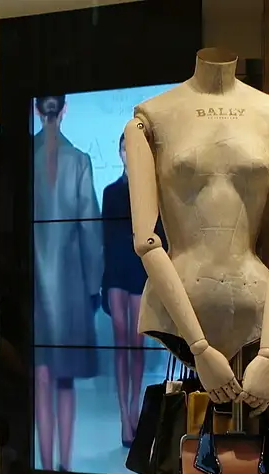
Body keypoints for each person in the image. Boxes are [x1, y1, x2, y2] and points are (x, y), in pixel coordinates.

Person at [33, 95, 103, 472]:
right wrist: (94, 286)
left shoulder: (23, 161)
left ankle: (44, 466)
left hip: (30, 285)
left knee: (41, 378)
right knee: (64, 380)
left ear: (36, 110)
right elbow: (90, 230)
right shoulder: (79, 161)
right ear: (65, 110)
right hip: (71, 284)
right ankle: (63, 466)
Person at [102, 133, 168, 448]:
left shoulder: (152, 194)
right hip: (115, 272)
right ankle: (124, 415)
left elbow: (161, 237)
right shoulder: (110, 192)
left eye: (133, 148)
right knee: (121, 345)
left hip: (140, 271)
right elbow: (105, 239)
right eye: (124, 148)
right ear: (119, 153)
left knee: (136, 344)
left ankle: (134, 408)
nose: (128, 153)